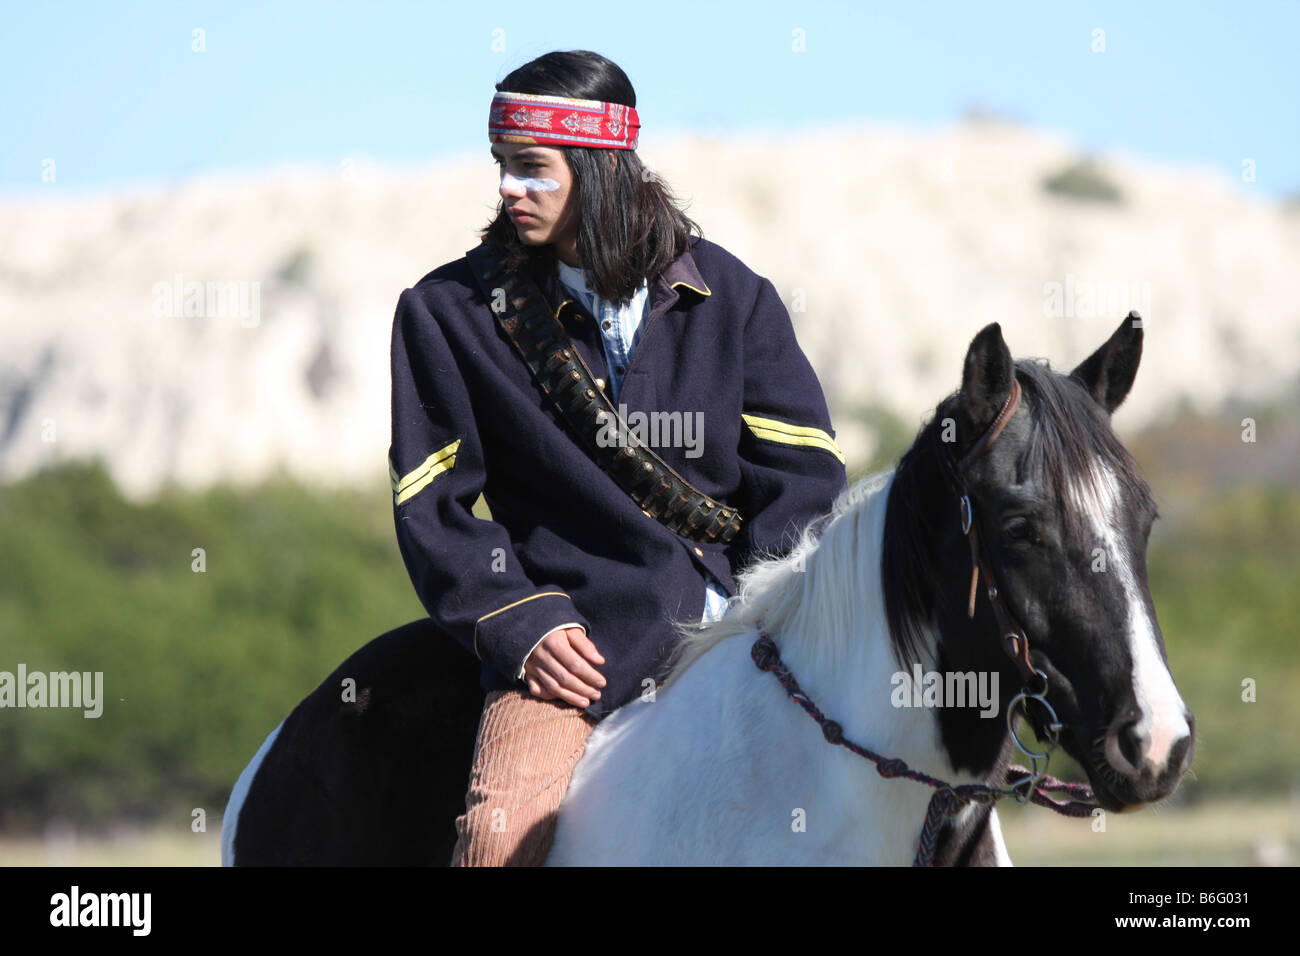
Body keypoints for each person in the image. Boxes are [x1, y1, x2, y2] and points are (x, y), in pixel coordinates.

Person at [388, 49, 848, 866]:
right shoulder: (446, 312)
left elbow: (803, 484)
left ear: (598, 169)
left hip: (742, 642)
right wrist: (521, 625)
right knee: (497, 838)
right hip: (574, 660)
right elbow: (434, 508)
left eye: (531, 169)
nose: (506, 189)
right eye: (501, 167)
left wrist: (765, 618)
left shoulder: (734, 297)